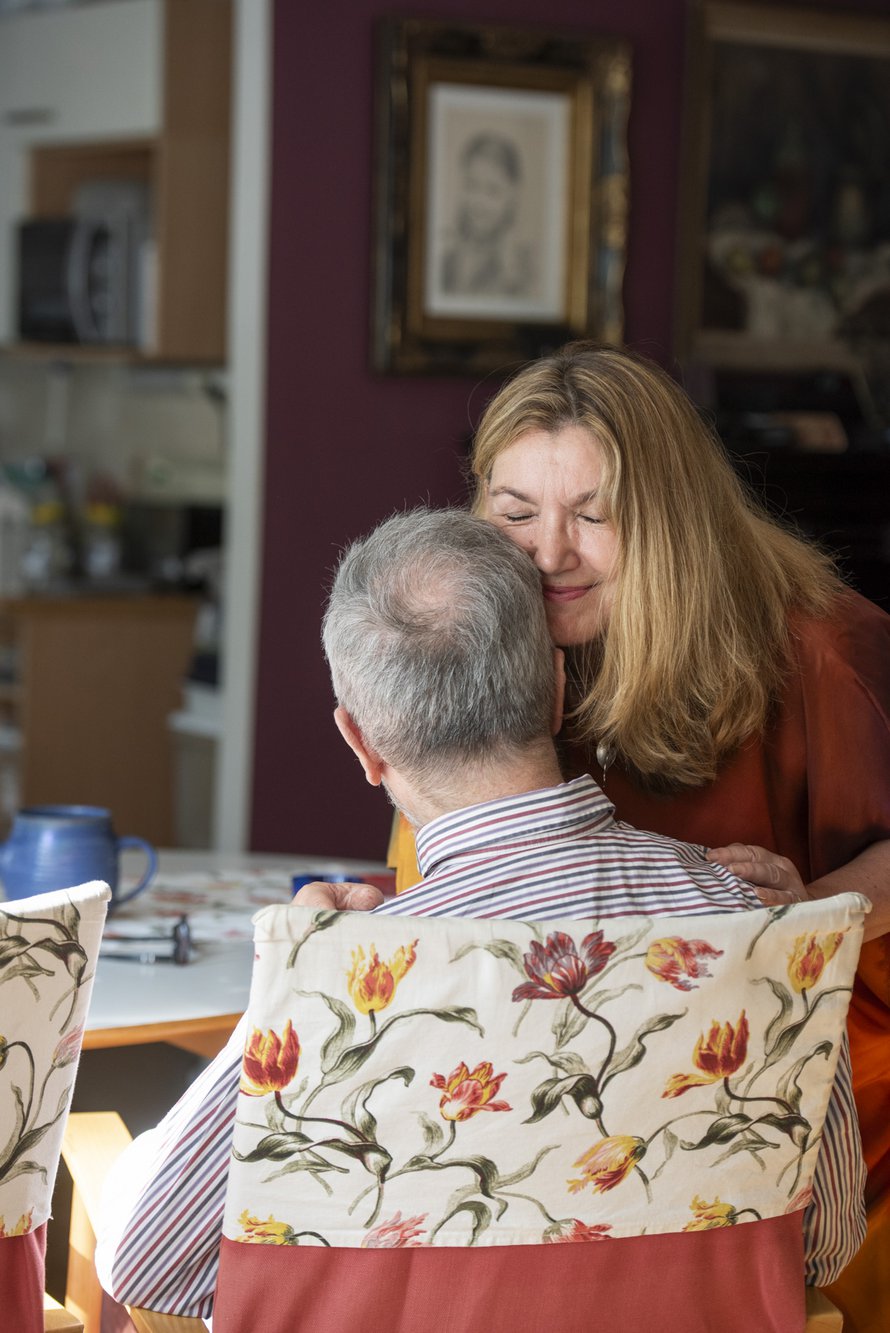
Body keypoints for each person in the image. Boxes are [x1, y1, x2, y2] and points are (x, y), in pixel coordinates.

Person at [94, 509, 864, 1319]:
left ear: (361, 742)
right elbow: (821, 1239)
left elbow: (148, 1264)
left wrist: (288, 994)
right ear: (561, 690)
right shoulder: (754, 918)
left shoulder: (351, 979)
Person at [463, 341, 890, 1333]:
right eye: (514, 512)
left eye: (593, 515)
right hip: (604, 1135)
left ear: (670, 522)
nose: (547, 553)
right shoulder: (503, 643)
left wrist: (820, 911)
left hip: (833, 1135)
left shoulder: (826, 650)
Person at [439, 131, 534, 299]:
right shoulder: (445, 260)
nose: (479, 202)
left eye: (493, 191)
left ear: (512, 197)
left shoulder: (522, 270)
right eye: (472, 185)